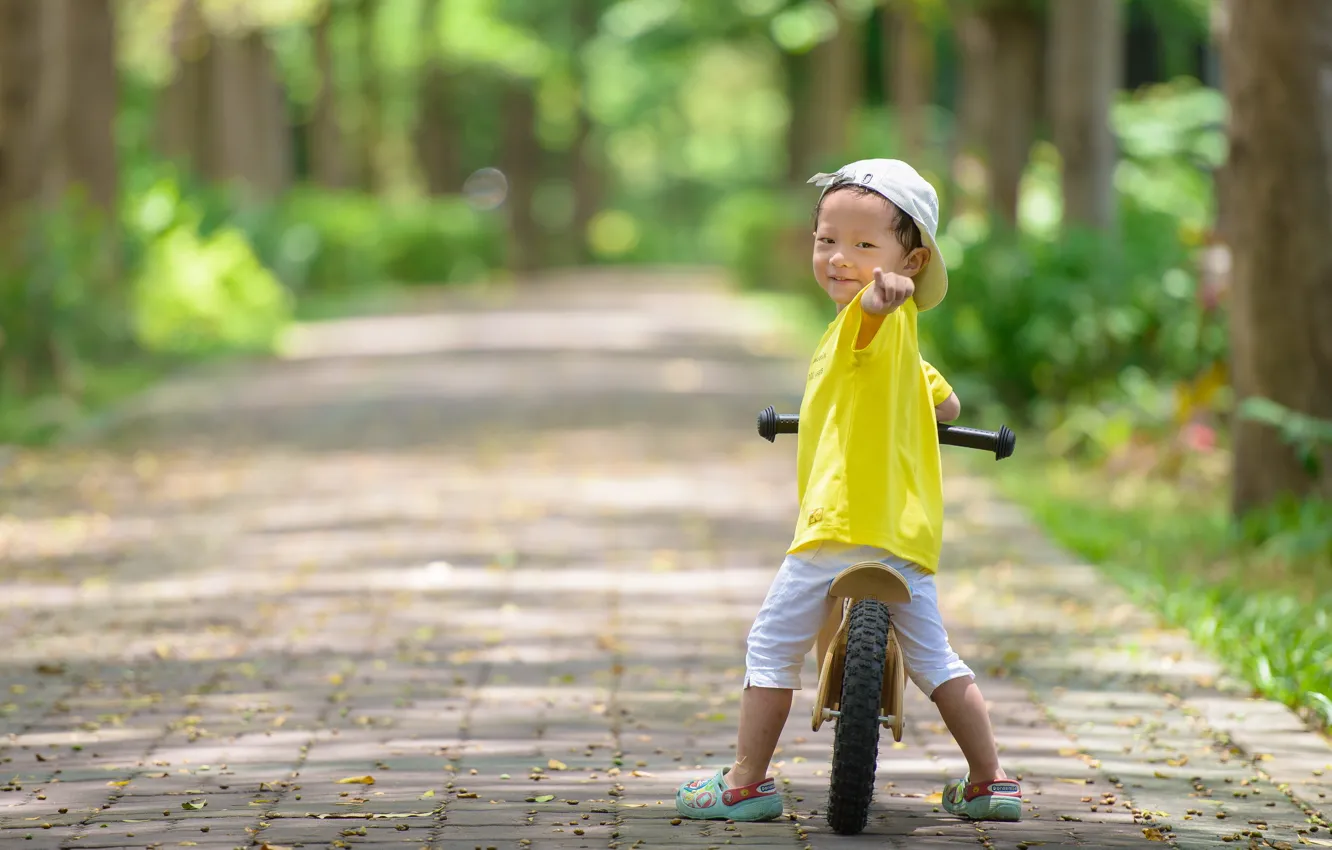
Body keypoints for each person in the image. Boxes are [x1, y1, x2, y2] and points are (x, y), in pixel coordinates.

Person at [674, 159, 1021, 824]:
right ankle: (991, 780)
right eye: (827, 241)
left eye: (865, 247)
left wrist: (875, 299)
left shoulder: (868, 321)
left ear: (912, 262)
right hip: (904, 536)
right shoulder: (908, 349)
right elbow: (945, 407)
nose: (840, 258)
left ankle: (746, 782)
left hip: (836, 527)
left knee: (773, 646)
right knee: (937, 661)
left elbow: (867, 319)